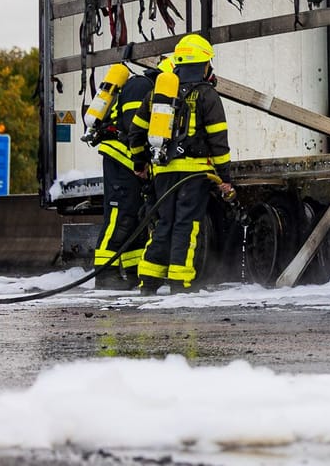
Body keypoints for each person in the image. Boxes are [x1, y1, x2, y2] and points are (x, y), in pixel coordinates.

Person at [137, 34, 234, 295]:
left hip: (163, 172)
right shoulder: (207, 95)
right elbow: (218, 140)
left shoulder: (159, 94)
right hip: (193, 174)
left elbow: (136, 131)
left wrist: (140, 162)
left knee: (163, 223)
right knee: (186, 226)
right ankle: (180, 282)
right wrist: (225, 176)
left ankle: (149, 280)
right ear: (203, 65)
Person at [85, 61, 154, 287]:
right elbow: (134, 128)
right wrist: (140, 161)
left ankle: (133, 272)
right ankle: (104, 274)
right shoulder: (140, 86)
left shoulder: (147, 87)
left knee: (134, 218)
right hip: (121, 159)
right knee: (119, 217)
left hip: (128, 162)